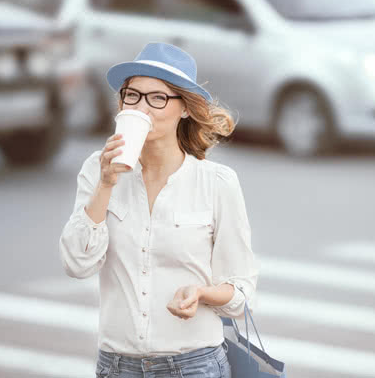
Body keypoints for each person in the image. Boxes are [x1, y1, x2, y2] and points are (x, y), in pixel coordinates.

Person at [58, 42, 259, 378]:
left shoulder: (217, 182)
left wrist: (200, 292)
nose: (142, 107)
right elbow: (76, 263)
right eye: (132, 96)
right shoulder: (97, 169)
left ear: (184, 109)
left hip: (195, 366)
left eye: (158, 98)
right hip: (117, 366)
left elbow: (239, 290)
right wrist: (106, 184)